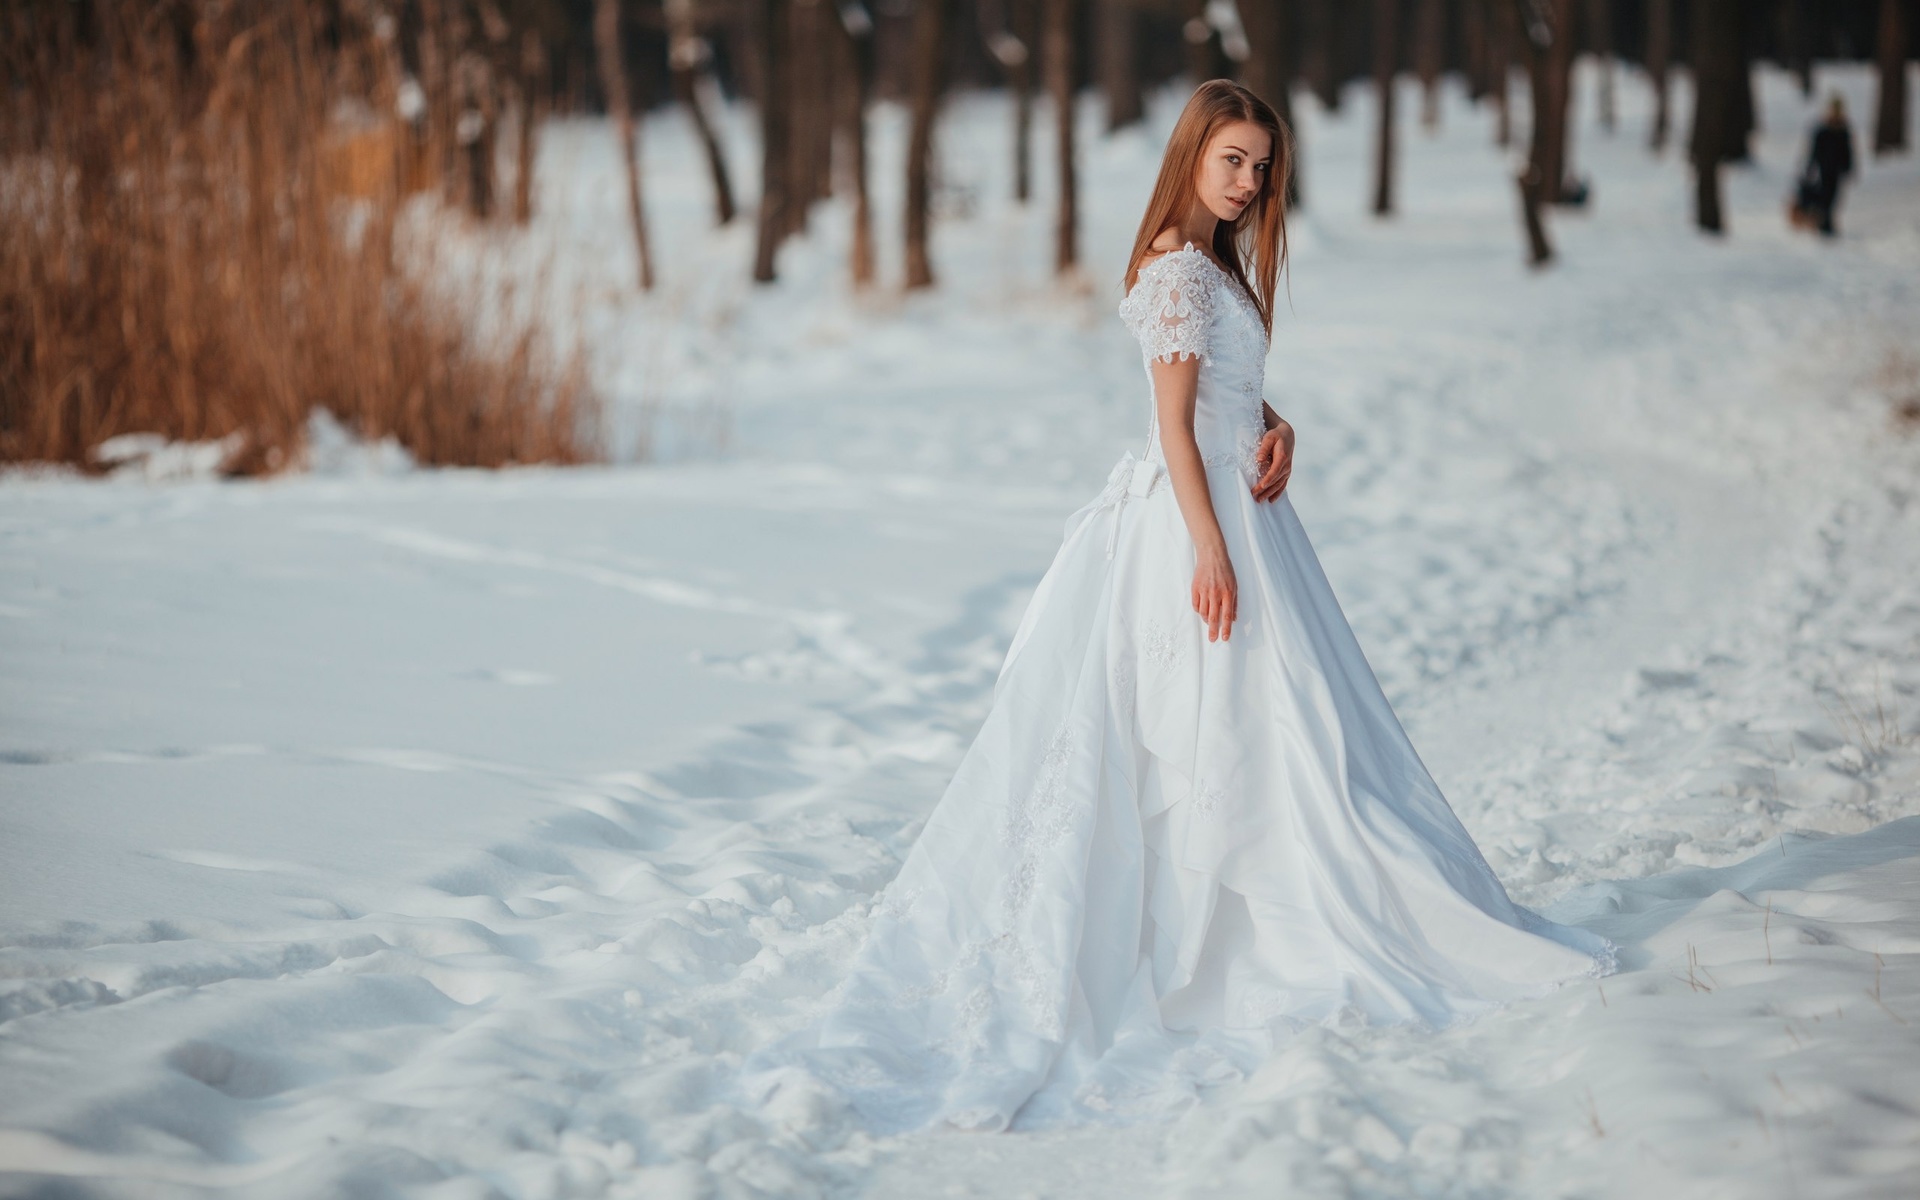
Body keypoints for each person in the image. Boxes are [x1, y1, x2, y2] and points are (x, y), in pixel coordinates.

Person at [748, 81, 1615, 1134]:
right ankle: (1212, 935)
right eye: (1233, 161)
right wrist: (1209, 547)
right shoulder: (1173, 264)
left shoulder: (1210, 265)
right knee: (1211, 730)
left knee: (1288, 728)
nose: (1249, 183)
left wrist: (1276, 421)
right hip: (1196, 526)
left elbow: (1218, 393)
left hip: (1236, 505)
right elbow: (1170, 427)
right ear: (1192, 153)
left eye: (1260, 166)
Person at [1797, 95, 1856, 236]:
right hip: (1823, 169)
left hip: (1836, 171)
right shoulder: (1822, 131)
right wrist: (1811, 166)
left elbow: (1847, 151)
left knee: (1833, 197)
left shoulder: (1843, 131)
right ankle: (1823, 223)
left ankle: (1826, 222)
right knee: (1823, 196)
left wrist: (1848, 166)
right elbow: (1814, 151)